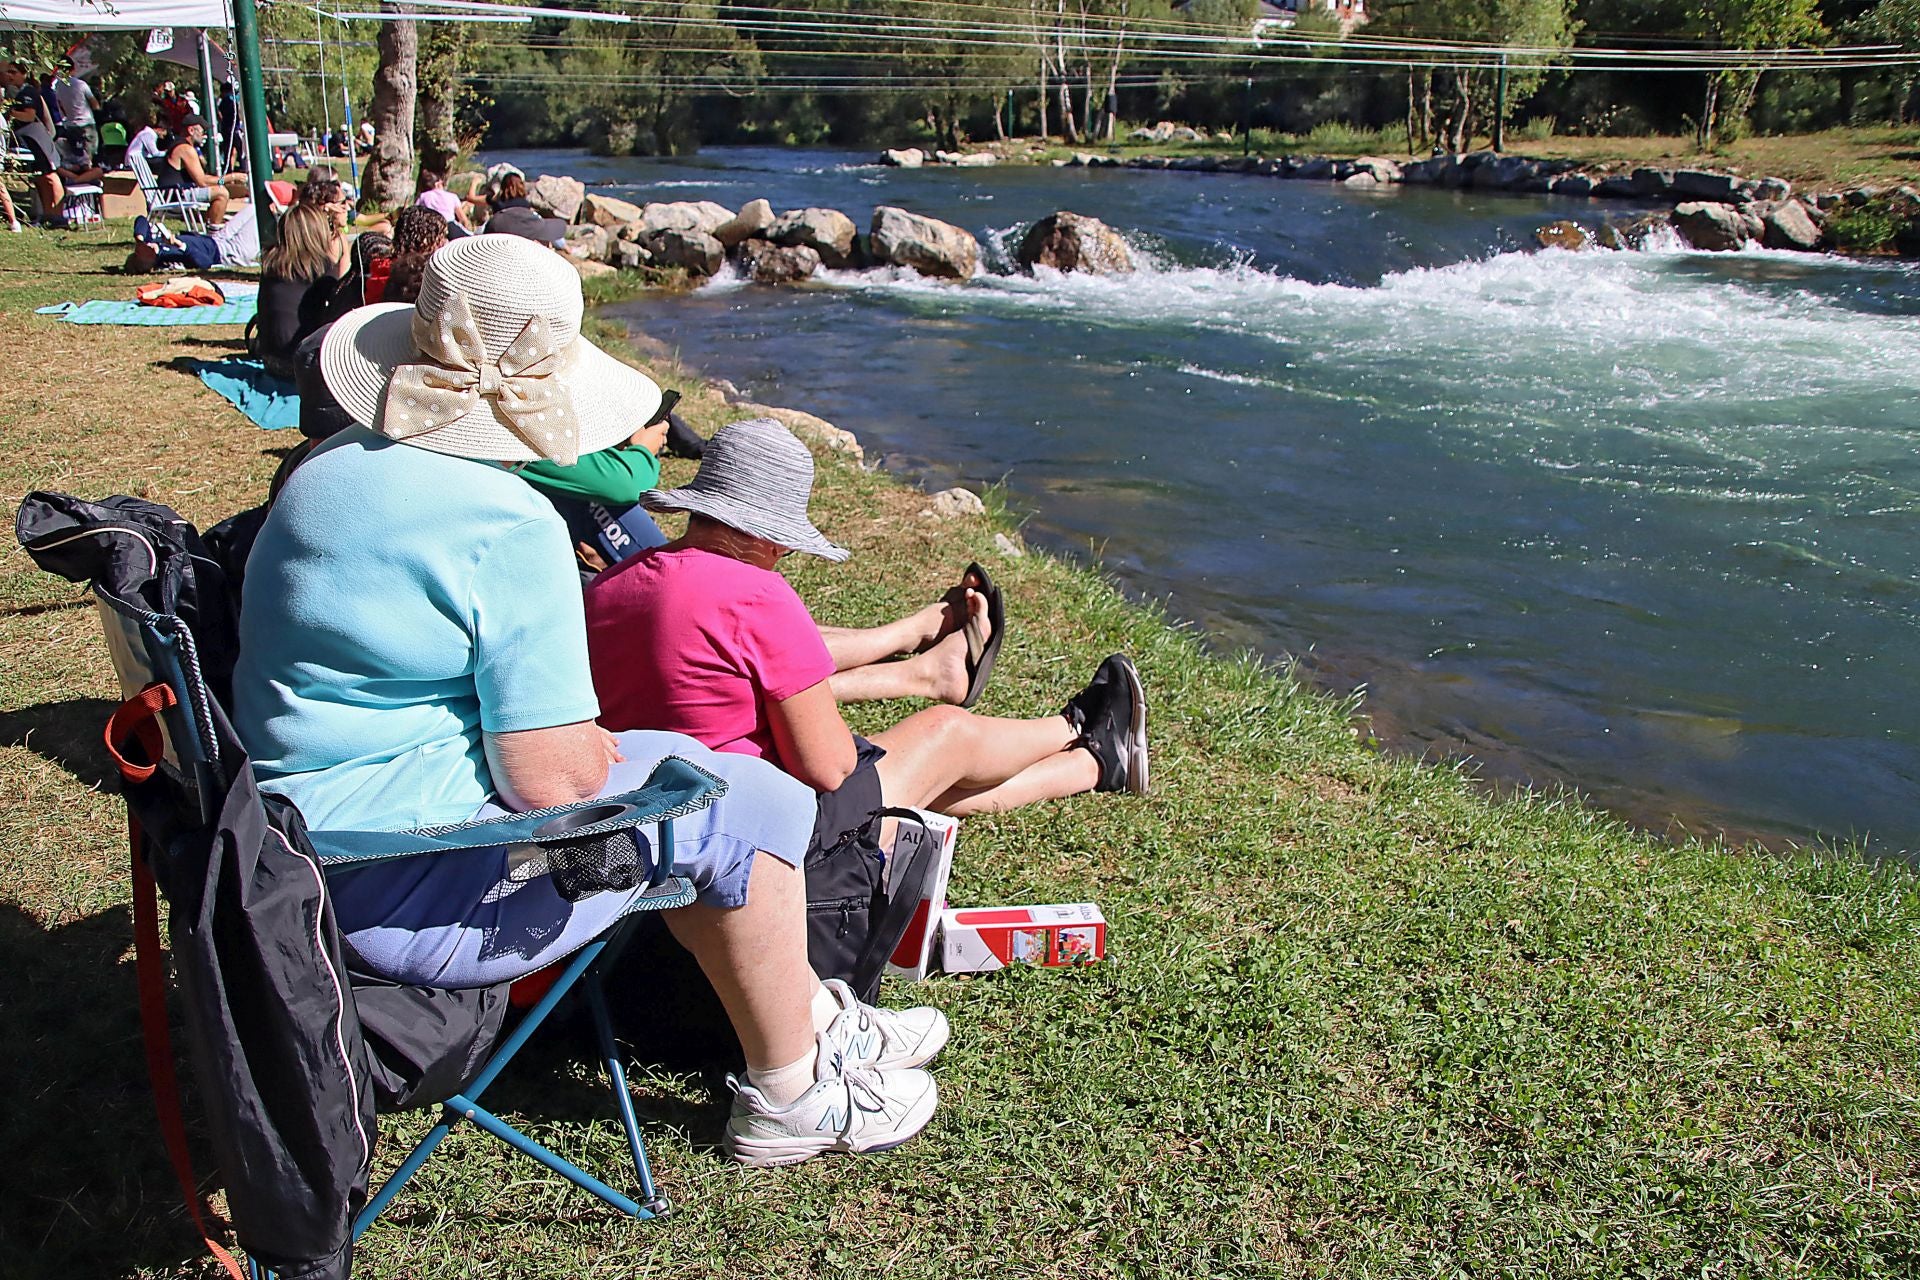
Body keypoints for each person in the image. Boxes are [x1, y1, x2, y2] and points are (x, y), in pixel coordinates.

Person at [232, 233, 943, 1165]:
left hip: (295, 846)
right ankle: (792, 1093)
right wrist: (604, 752)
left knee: (709, 784)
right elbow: (552, 780)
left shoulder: (326, 473)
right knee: (745, 800)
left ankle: (809, 1017)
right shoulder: (505, 522)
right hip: (407, 881)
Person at [584, 420, 1149, 861]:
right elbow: (828, 770)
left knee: (923, 782)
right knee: (942, 736)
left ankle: (1094, 766)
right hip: (746, 826)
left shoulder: (613, 583)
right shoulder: (758, 595)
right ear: (772, 537)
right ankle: (1080, 726)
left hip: (648, 822)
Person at [2, 60, 103, 221]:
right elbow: (87, 105)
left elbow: (29, 115)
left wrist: (10, 112)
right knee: (41, 176)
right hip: (41, 136)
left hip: (42, 136)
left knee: (51, 174)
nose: (9, 75)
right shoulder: (25, 92)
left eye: (14, 72)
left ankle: (59, 215)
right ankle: (48, 214)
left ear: (24, 74)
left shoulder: (30, 92)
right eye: (8, 72)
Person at [256, 201, 350, 371]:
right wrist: (341, 230)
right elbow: (343, 282)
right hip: (300, 364)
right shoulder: (318, 268)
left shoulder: (271, 262)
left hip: (268, 357)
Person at [155, 114, 229, 226]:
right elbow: (202, 182)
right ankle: (214, 232)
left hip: (173, 193)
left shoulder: (179, 145)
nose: (204, 135)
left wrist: (223, 181)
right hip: (176, 195)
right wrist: (229, 179)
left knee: (222, 189)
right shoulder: (185, 149)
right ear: (191, 130)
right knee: (222, 193)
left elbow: (202, 177)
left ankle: (212, 226)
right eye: (202, 131)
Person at [483, 172, 564, 246]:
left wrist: (475, 182)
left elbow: (471, 198)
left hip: (500, 232)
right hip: (523, 232)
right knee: (545, 228)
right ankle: (565, 247)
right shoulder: (524, 203)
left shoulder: (497, 203)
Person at [50, 57, 99, 155]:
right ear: (72, 69)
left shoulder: (58, 87)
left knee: (76, 155)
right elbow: (95, 104)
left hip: (70, 125)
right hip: (86, 124)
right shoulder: (81, 84)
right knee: (90, 155)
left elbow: (61, 106)